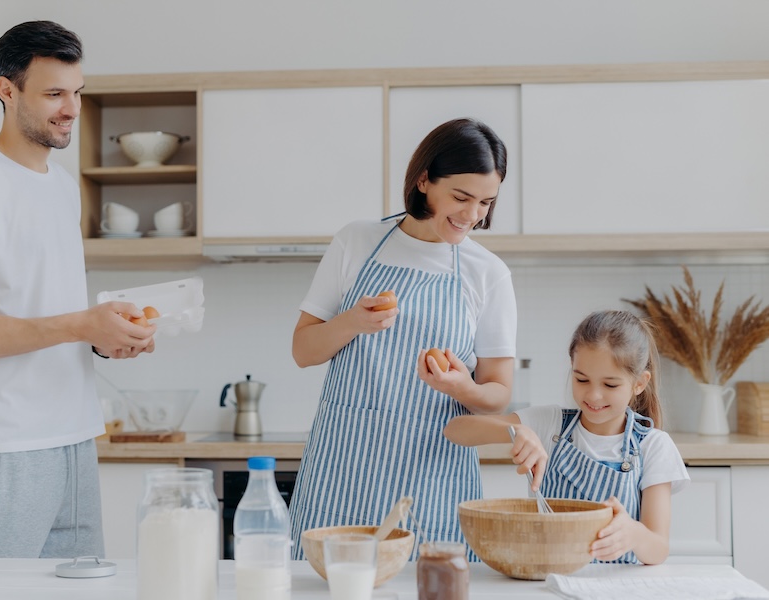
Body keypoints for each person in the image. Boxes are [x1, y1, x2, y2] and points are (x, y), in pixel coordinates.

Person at [0, 21, 156, 558]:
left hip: (73, 440)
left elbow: (46, 310)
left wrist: (104, 336)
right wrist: (79, 324)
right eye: (53, 93)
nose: (71, 108)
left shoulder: (61, 187)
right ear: (8, 91)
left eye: (76, 92)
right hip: (1, 450)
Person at [288, 118, 517, 559]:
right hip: (342, 466)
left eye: (486, 202)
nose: (473, 215)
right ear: (424, 180)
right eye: (461, 197)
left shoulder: (487, 273)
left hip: (432, 473)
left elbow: (498, 395)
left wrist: (462, 387)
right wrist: (352, 322)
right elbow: (302, 351)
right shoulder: (357, 240)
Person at [444, 310, 690, 565]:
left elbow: (658, 549)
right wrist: (516, 431)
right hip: (547, 580)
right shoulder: (550, 424)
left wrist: (634, 534)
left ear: (639, 383)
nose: (593, 395)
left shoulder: (653, 446)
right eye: (581, 379)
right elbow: (455, 429)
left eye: (610, 385)